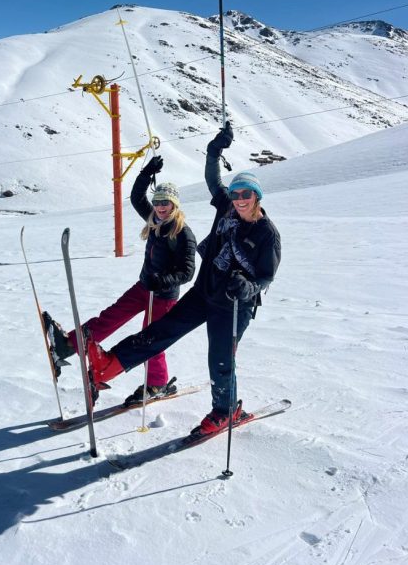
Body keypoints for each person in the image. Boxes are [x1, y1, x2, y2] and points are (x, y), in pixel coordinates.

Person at [85, 123, 281, 437]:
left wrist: (249, 286)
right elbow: (211, 177)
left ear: (256, 197)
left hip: (233, 306)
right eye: (236, 193)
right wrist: (215, 150)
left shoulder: (267, 234)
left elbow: (266, 276)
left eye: (246, 194)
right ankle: (108, 365)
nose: (240, 198)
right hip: (204, 292)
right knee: (160, 331)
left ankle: (227, 410)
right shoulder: (226, 208)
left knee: (219, 357)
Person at [41, 156, 196, 406]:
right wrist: (146, 172)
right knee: (110, 317)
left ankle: (157, 383)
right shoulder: (153, 220)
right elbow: (136, 197)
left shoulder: (183, 234)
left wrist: (164, 280)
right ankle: (68, 345)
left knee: (151, 338)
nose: (160, 206)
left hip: (164, 296)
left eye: (166, 202)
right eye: (157, 201)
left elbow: (188, 271)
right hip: (143, 286)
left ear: (175, 205)